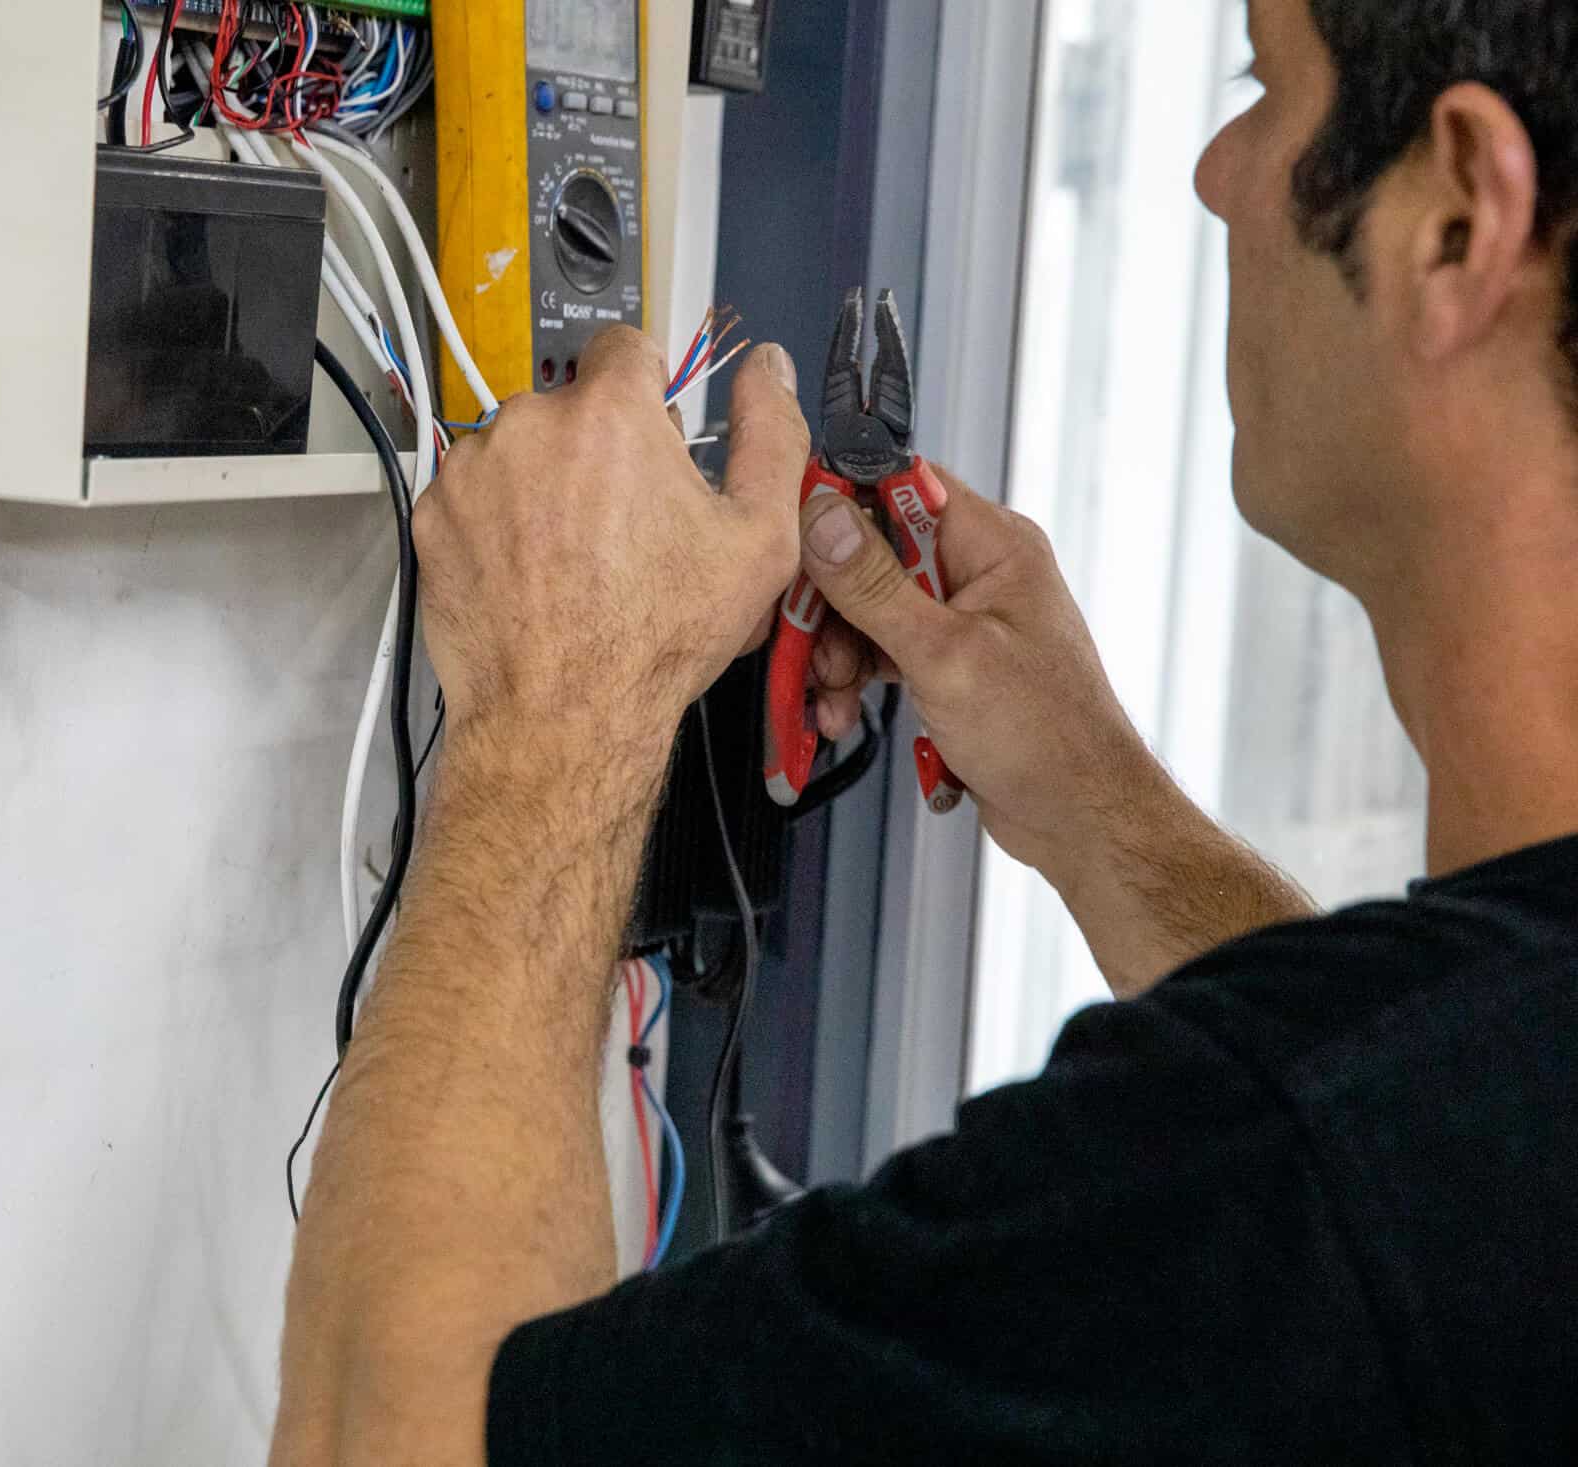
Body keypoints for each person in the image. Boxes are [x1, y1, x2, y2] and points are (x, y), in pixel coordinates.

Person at [271, 0, 1578, 1459]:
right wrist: (1105, 812)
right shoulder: (1449, 1136)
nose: (1215, 171)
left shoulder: (1264, 1195)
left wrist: (555, 710)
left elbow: (385, 1434)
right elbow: (1433, 1142)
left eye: (1262, 88)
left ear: (1461, 217)